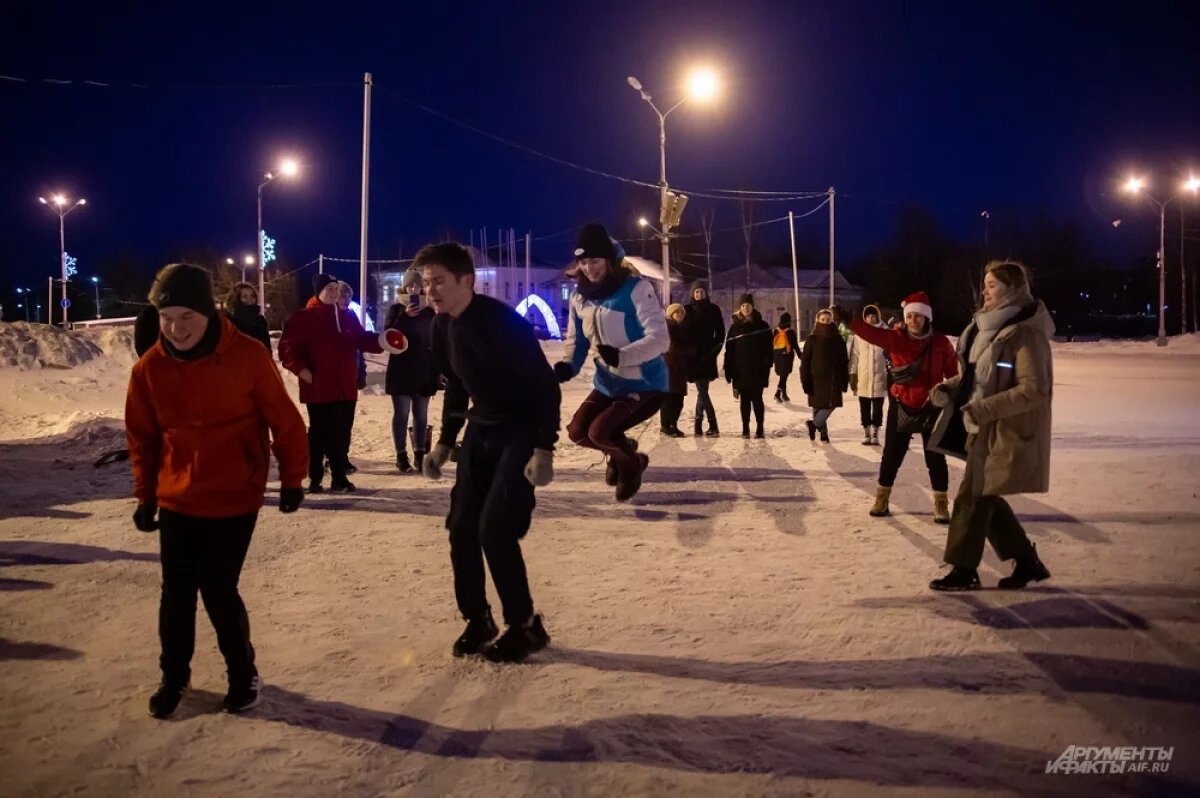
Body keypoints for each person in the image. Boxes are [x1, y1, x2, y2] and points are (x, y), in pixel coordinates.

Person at [124, 263, 309, 719]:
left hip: (234, 493)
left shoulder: (246, 356)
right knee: (177, 591)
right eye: (167, 318)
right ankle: (174, 675)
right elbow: (142, 436)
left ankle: (242, 672)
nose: (176, 328)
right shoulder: (150, 367)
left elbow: (284, 421)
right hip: (179, 495)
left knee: (219, 588)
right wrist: (146, 495)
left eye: (186, 316)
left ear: (208, 312)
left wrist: (291, 479)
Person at [419, 242, 559, 663]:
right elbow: (459, 384)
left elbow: (544, 385)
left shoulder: (501, 322)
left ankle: (525, 625)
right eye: (426, 283)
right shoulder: (442, 327)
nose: (431, 291)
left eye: (439, 281)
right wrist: (445, 441)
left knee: (494, 528)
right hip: (481, 431)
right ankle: (478, 618)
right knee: (461, 526)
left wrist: (543, 449)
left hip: (519, 429)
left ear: (467, 280)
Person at [927, 261, 1054, 590]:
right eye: (985, 285)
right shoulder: (984, 330)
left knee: (972, 497)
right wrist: (949, 387)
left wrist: (983, 409)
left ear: (1013, 289)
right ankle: (1026, 561)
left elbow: (1034, 389)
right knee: (986, 497)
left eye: (993, 285)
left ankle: (963, 568)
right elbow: (977, 378)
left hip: (1002, 430)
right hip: (978, 427)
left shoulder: (1025, 332)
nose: (985, 291)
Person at [555, 222, 669, 501]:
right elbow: (577, 342)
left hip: (645, 383)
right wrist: (568, 365)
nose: (589, 268)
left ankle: (631, 465)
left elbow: (660, 339)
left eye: (595, 260)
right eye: (583, 261)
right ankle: (622, 450)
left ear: (609, 259)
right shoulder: (580, 297)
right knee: (577, 432)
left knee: (599, 431)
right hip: (608, 383)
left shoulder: (635, 289)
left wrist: (622, 356)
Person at [277, 273, 407, 494]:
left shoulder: (347, 317)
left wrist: (383, 340)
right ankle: (315, 477)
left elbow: (361, 339)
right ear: (319, 291)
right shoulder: (303, 318)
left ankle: (339, 477)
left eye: (336, 289)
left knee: (340, 435)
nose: (334, 293)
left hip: (345, 388)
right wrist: (302, 370)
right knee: (319, 433)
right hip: (318, 387)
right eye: (329, 289)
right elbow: (287, 348)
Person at [851, 291, 958, 523]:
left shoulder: (940, 342)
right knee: (891, 455)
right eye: (910, 316)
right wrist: (848, 319)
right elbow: (871, 333)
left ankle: (941, 503)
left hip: (932, 406)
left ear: (927, 317)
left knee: (935, 457)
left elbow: (952, 373)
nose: (913, 321)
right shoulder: (897, 338)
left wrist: (948, 391)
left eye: (919, 316)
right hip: (901, 405)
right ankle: (882, 498)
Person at [384, 267, 439, 473]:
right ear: (405, 287)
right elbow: (388, 336)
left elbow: (435, 341)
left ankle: (419, 455)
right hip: (401, 371)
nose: (414, 288)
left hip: (424, 371)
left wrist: (438, 369)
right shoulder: (396, 310)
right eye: (410, 285)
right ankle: (401, 455)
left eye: (417, 284)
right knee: (402, 413)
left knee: (421, 415)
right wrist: (405, 316)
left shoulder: (428, 311)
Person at [723, 293, 773, 439]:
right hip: (740, 371)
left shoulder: (763, 326)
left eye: (748, 305)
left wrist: (767, 364)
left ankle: (760, 428)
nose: (746, 308)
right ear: (740, 308)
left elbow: (769, 349)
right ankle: (745, 428)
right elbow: (729, 350)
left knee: (757, 399)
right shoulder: (734, 328)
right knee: (744, 400)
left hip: (758, 370)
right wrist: (728, 369)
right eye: (743, 305)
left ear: (753, 307)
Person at [800, 308, 850, 442]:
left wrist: (845, 379)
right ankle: (823, 433)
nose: (825, 322)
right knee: (818, 405)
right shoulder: (811, 339)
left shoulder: (838, 339)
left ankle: (813, 424)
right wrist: (805, 379)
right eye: (823, 320)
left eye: (828, 320)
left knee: (831, 404)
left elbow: (844, 360)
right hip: (815, 377)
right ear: (818, 320)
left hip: (834, 378)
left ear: (832, 321)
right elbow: (805, 361)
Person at [684, 280, 724, 436]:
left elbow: (720, 334)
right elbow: (682, 333)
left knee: (703, 391)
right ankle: (706, 425)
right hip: (692, 356)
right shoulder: (686, 310)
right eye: (696, 292)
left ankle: (703, 425)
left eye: (701, 291)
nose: (699, 294)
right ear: (692, 294)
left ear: (706, 293)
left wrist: (714, 351)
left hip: (708, 355)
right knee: (703, 391)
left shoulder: (714, 309)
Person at [849, 304, 888, 445]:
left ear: (877, 317)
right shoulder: (859, 335)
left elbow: (891, 355)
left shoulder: (885, 333)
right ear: (864, 318)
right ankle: (866, 432)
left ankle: (876, 432)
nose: (871, 319)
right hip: (863, 377)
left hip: (880, 376)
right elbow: (854, 356)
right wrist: (853, 375)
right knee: (864, 407)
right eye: (868, 316)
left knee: (878, 408)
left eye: (873, 316)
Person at [659, 303, 693, 437]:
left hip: (679, 369)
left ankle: (673, 424)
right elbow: (672, 348)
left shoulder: (681, 328)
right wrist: (690, 350)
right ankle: (666, 426)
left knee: (678, 399)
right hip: (669, 368)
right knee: (669, 399)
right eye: (676, 312)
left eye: (681, 313)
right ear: (671, 315)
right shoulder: (668, 328)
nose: (679, 314)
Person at [222, 282, 272, 353]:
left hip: (258, 361)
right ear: (236, 299)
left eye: (252, 296)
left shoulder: (260, 320)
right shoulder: (228, 321)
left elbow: (267, 348)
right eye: (245, 296)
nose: (250, 299)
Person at [772, 311, 800, 403]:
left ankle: (784, 394)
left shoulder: (776, 330)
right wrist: (800, 355)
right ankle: (777, 393)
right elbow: (795, 345)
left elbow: (771, 344)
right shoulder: (790, 331)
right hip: (787, 357)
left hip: (777, 356)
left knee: (783, 376)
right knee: (784, 376)